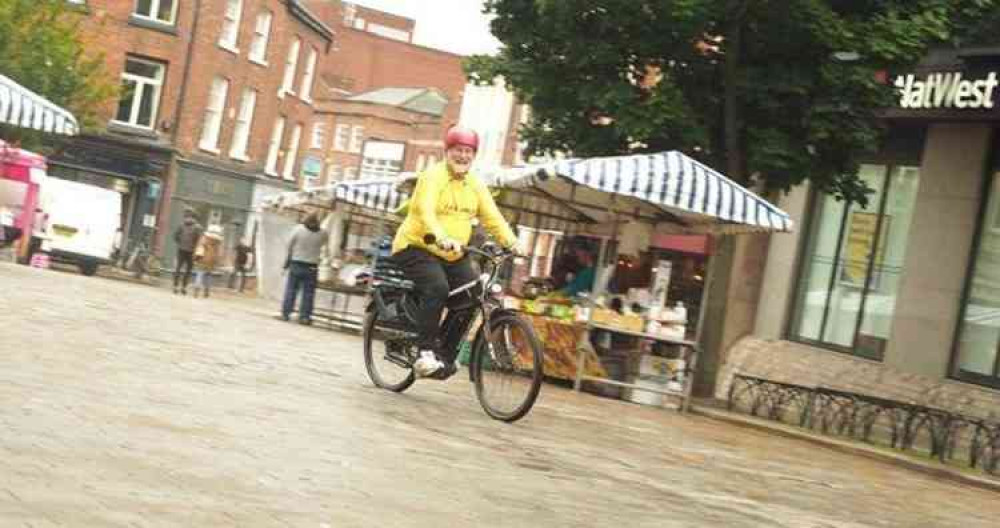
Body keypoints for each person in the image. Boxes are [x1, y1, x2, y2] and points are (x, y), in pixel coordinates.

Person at [391, 125, 521, 379]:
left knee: (472, 295)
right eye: (458, 150)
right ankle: (425, 352)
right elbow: (425, 211)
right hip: (417, 245)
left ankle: (445, 354)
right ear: (447, 151)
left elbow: (492, 216)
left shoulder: (475, 184)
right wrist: (441, 237)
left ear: (474, 155)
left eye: (468, 152)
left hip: (453, 252)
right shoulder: (433, 176)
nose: (463, 156)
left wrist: (513, 243)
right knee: (437, 288)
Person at [281, 212, 328, 325]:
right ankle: (305, 317)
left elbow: (288, 245)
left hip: (296, 263)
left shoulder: (298, 229)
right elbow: (324, 245)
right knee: (308, 293)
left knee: (291, 290)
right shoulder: (323, 233)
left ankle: (286, 313)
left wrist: (288, 260)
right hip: (312, 266)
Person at [173, 209, 203, 295]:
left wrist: (180, 243)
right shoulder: (198, 227)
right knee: (188, 270)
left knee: (178, 268)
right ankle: (184, 287)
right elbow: (199, 239)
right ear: (195, 218)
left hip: (181, 249)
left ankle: (175, 286)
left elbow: (175, 236)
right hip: (191, 251)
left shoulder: (181, 225)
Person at [192, 224, 223, 298]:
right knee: (208, 276)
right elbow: (219, 253)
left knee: (199, 274)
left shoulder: (204, 238)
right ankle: (206, 291)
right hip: (211, 261)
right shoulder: (218, 242)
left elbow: (198, 248)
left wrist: (194, 258)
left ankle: (196, 291)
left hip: (202, 259)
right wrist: (217, 261)